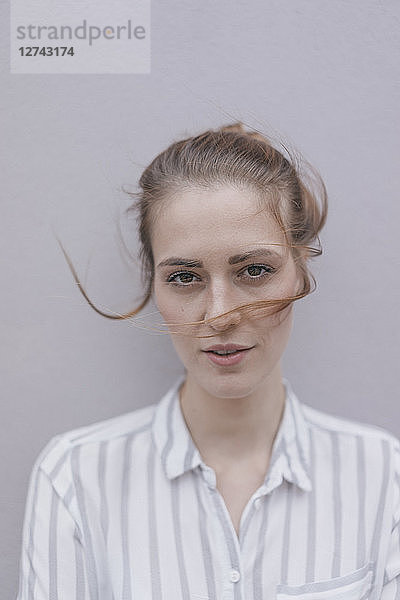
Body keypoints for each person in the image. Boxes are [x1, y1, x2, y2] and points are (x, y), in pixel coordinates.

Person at [16, 122, 400, 600]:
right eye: (184, 277)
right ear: (153, 283)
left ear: (300, 267)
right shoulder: (75, 477)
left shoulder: (383, 474)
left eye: (255, 270)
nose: (220, 315)